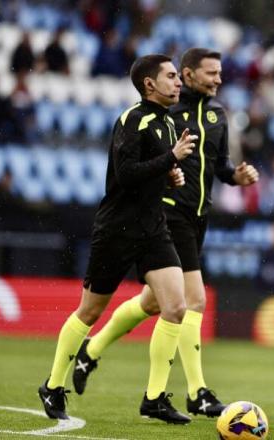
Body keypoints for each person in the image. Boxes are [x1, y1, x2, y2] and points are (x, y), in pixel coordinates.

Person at [71, 48, 259, 418]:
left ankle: (89, 353)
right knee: (194, 301)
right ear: (188, 75)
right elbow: (140, 162)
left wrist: (235, 177)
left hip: (199, 216)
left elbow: (219, 166)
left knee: (154, 303)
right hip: (169, 214)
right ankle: (197, 392)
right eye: (211, 73)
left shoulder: (220, 116)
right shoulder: (168, 112)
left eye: (220, 73)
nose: (219, 79)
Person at [38, 54, 198, 424]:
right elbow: (124, 174)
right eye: (171, 77)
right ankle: (53, 385)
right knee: (90, 311)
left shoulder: (170, 124)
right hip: (117, 229)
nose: (178, 83)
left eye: (178, 77)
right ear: (149, 84)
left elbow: (155, 170)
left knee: (175, 307)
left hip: (153, 229)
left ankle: (155, 398)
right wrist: (169, 160)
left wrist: (170, 174)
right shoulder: (132, 119)